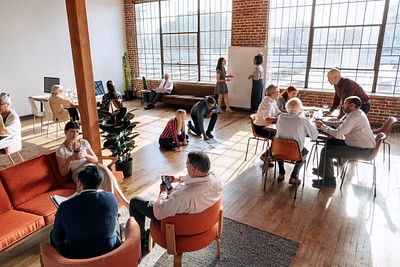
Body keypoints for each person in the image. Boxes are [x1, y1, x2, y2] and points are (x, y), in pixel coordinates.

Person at [129, 151, 223, 250]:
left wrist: (163, 192)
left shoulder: (183, 196)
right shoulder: (216, 179)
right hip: (205, 224)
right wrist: (177, 178)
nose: (186, 168)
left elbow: (158, 212)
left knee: (135, 202)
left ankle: (141, 241)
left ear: (193, 169)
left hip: (178, 225)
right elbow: (198, 176)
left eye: (187, 166)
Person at [50, 165, 121, 259]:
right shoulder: (111, 197)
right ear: (99, 183)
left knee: (53, 235)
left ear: (79, 183)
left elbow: (57, 239)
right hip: (110, 249)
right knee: (115, 221)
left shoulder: (65, 206)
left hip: (80, 257)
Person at [56, 121, 130, 208]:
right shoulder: (61, 150)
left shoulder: (84, 142)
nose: (75, 134)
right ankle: (119, 205)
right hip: (80, 173)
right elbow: (62, 173)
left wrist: (85, 155)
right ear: (65, 132)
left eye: (77, 131)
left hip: (93, 166)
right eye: (72, 131)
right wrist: (69, 160)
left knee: (104, 170)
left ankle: (113, 205)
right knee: (106, 173)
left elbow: (95, 159)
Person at [313, 96, 375, 188]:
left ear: (352, 105)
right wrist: (326, 123)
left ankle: (329, 181)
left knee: (327, 151)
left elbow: (338, 133)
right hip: (358, 145)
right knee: (329, 142)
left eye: (344, 104)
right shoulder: (357, 113)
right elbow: (343, 125)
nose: (342, 106)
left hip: (363, 150)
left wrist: (322, 127)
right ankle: (323, 171)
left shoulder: (354, 117)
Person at [275, 97, 318, 185]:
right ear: (300, 109)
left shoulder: (281, 117)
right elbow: (314, 136)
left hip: (278, 150)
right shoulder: (302, 120)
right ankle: (294, 177)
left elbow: (278, 128)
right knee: (304, 151)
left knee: (281, 145)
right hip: (295, 152)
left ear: (287, 108)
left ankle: (281, 173)